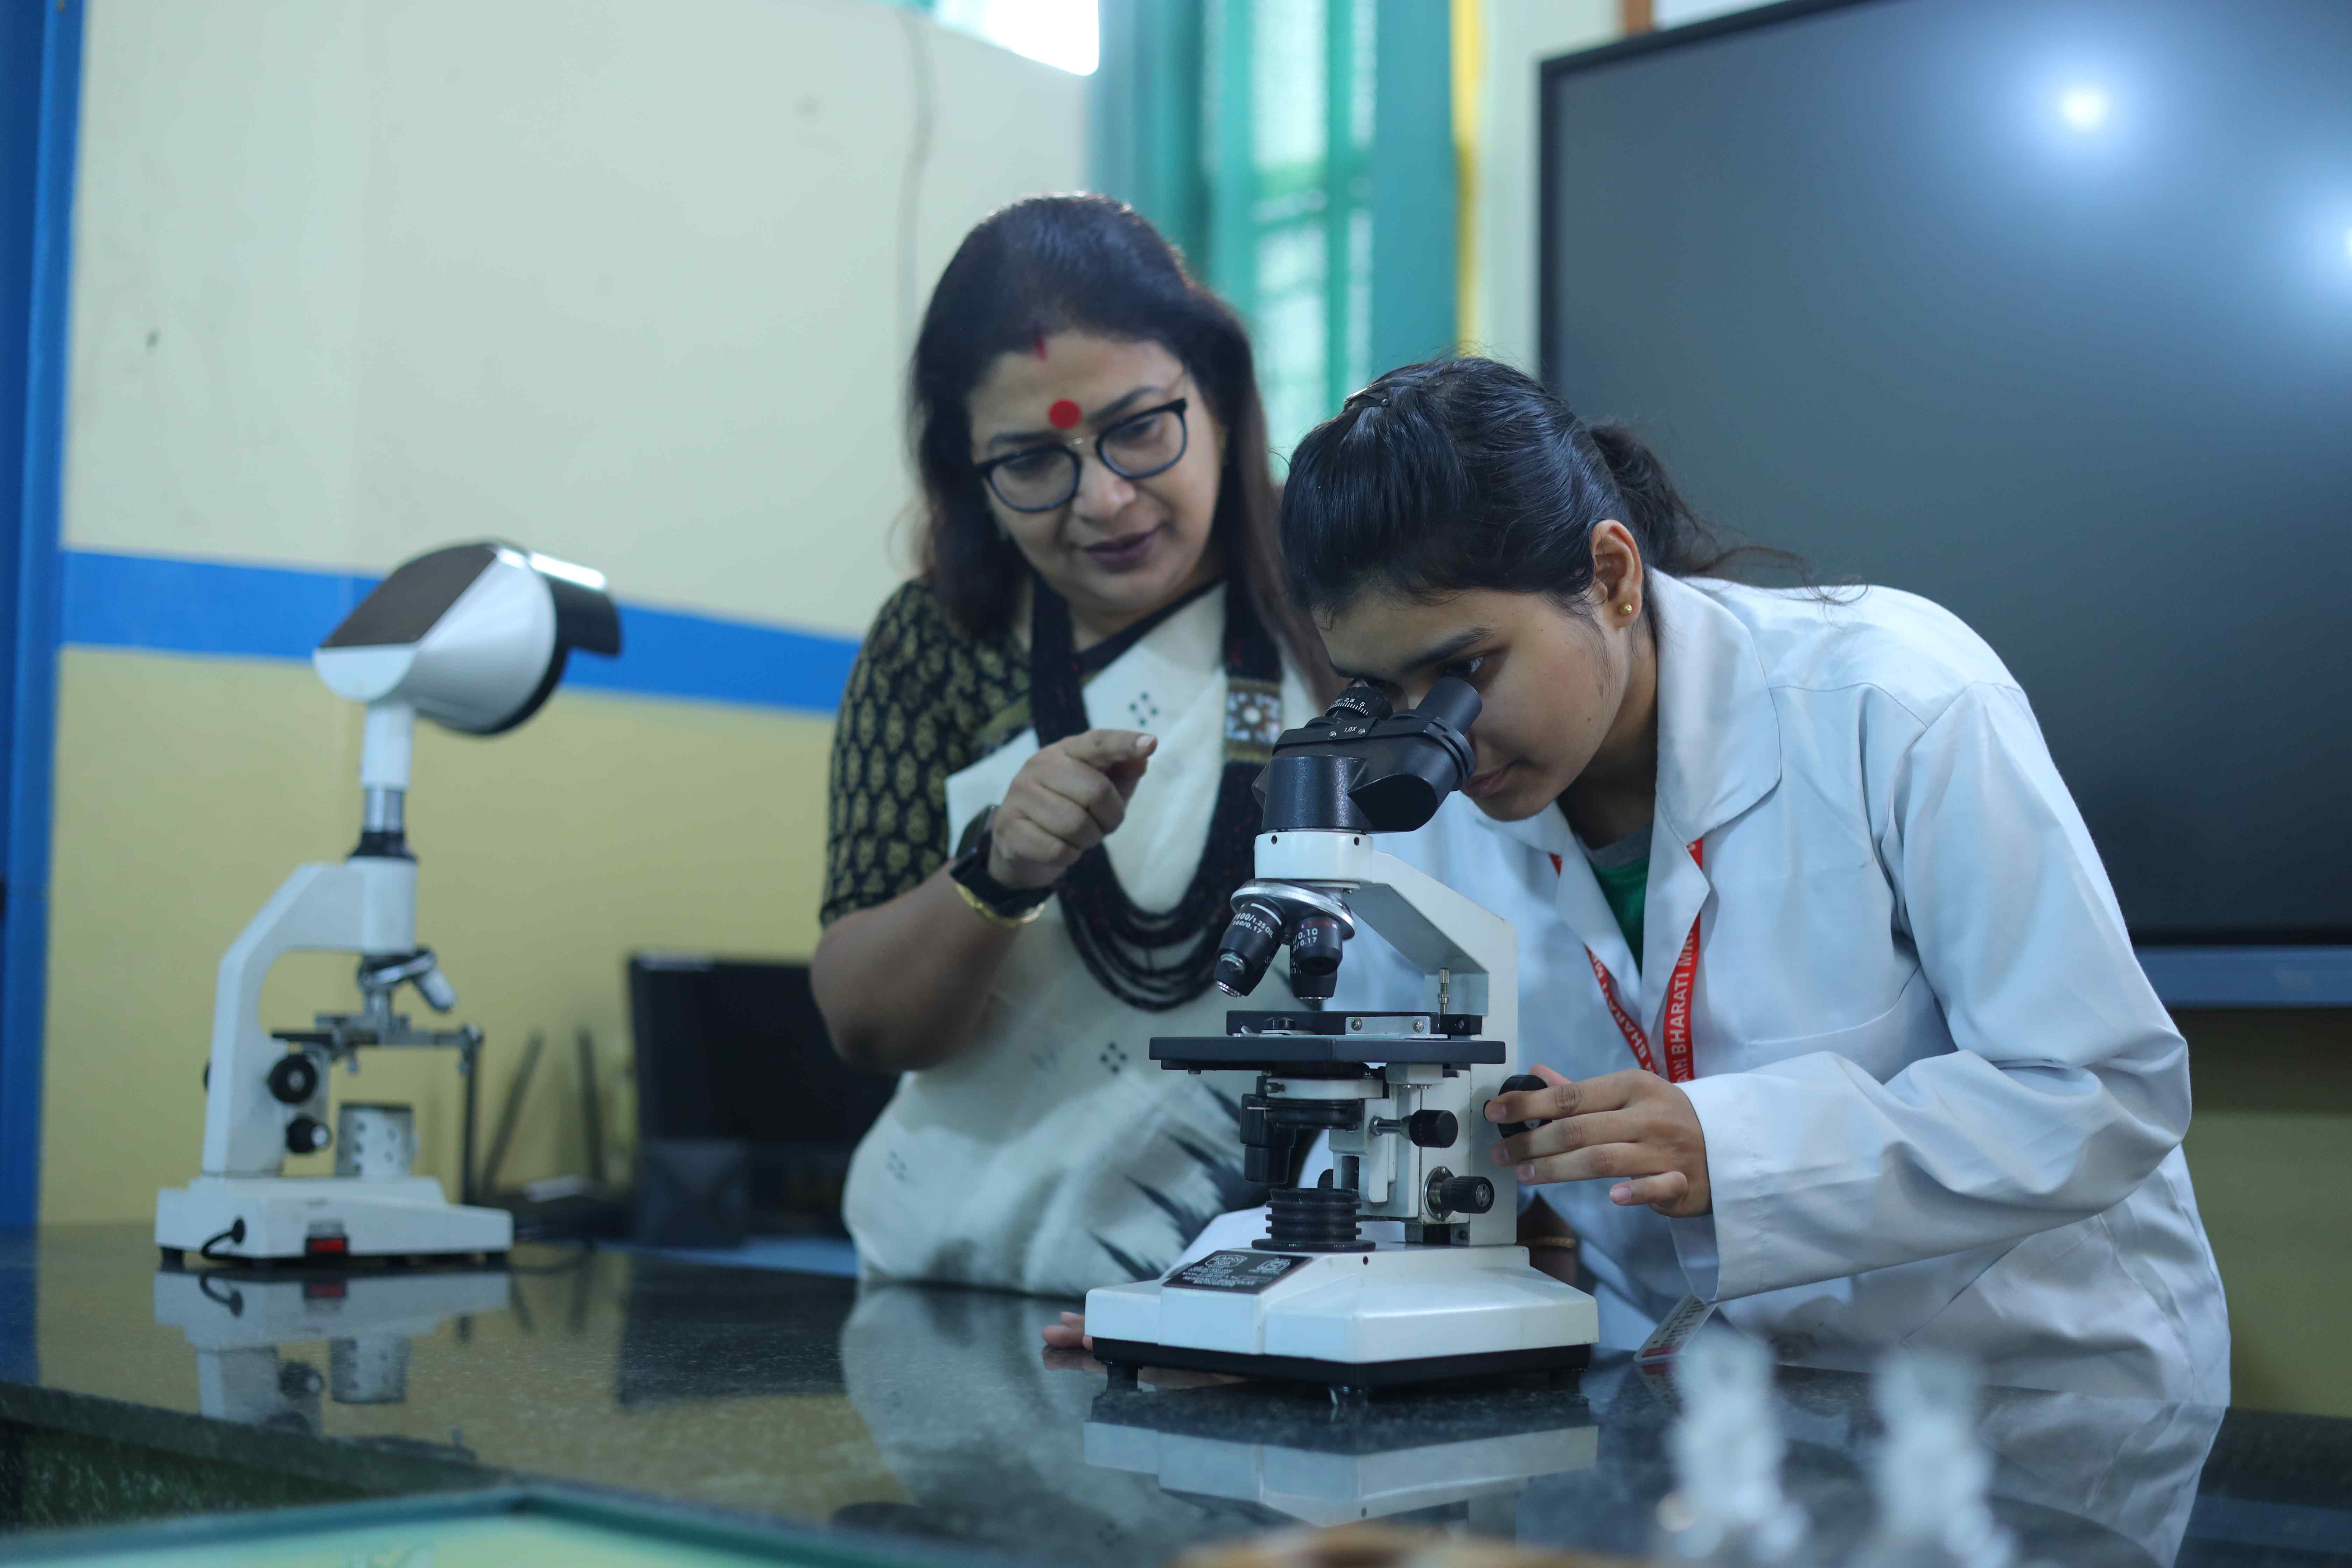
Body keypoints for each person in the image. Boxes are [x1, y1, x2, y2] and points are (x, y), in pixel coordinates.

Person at [1244, 355, 2227, 1402]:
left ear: (1611, 577)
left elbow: (2101, 1092)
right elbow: (1377, 1123)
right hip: (1698, 1405)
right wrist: (1247, 1305)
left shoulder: (1894, 703)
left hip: (2030, 1392)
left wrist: (1740, 1151)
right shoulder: (1426, 808)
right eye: (1381, 691)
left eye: (1464, 672)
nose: (1436, 736)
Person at [815, 195, 1337, 1298]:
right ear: (968, 473)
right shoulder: (937, 645)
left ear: (1217, 396)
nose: (1103, 499)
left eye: (1140, 428)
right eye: (1031, 462)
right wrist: (997, 870)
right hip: (968, 1297)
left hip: (1281, 1296)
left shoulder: (1343, 589)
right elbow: (865, 1023)